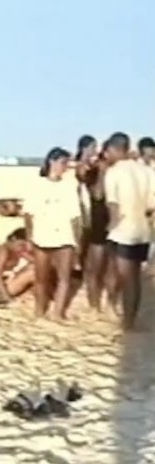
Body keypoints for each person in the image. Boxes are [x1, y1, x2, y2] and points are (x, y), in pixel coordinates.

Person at [103, 132, 155, 331]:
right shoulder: (147, 171)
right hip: (142, 231)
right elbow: (151, 205)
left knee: (123, 277)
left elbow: (113, 205)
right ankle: (130, 320)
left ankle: (120, 315)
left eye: (109, 151)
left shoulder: (114, 172)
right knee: (134, 279)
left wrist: (111, 227)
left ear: (116, 149)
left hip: (122, 231)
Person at [23, 147, 82, 321]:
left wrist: (78, 240)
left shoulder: (70, 186)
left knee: (65, 278)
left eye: (67, 164)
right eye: (63, 163)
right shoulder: (37, 185)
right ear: (52, 162)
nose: (65, 167)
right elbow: (28, 214)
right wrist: (29, 237)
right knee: (42, 278)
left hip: (65, 237)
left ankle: (58, 313)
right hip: (42, 236)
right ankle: (39, 311)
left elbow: (76, 217)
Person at [74, 134, 112, 313]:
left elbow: (98, 194)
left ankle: (95, 303)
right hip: (93, 217)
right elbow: (93, 191)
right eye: (92, 147)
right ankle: (96, 302)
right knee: (92, 263)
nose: (94, 151)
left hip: (96, 217)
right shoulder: (86, 167)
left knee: (93, 266)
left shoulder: (98, 167)